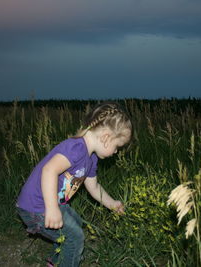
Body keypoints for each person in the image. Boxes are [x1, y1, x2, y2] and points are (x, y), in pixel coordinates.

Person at [16, 101, 132, 267]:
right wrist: (52, 209)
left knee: (76, 223)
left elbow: (94, 187)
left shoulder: (91, 158)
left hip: (50, 203)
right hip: (36, 206)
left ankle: (57, 261)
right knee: (74, 238)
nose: (115, 152)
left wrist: (112, 204)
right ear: (106, 137)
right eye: (117, 147)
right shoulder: (76, 148)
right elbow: (49, 171)